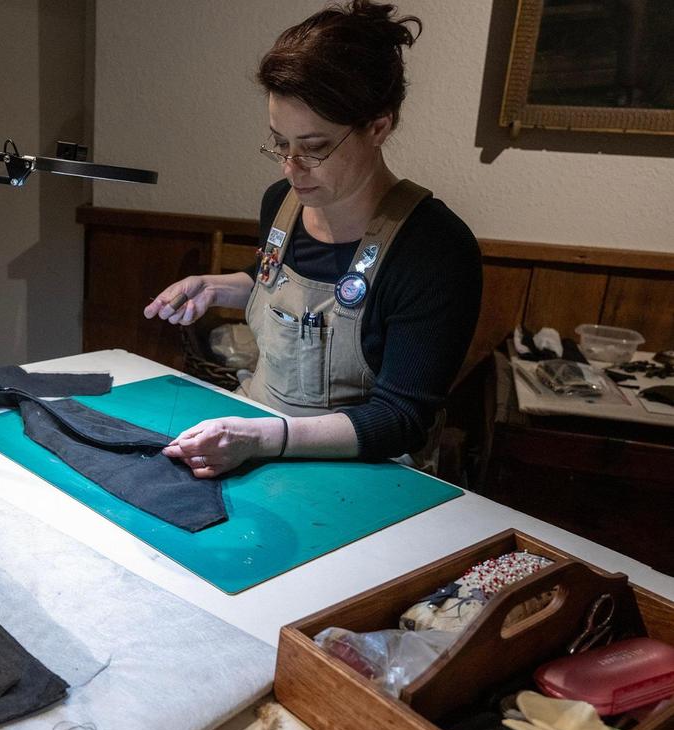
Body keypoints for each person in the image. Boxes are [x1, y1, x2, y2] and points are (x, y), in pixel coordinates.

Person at [144, 0, 481, 478]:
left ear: (378, 126)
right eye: (280, 143)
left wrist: (263, 437)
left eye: (315, 148)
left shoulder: (434, 250)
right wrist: (219, 286)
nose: (290, 166)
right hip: (254, 433)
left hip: (361, 468)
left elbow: (401, 419)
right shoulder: (281, 204)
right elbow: (290, 284)